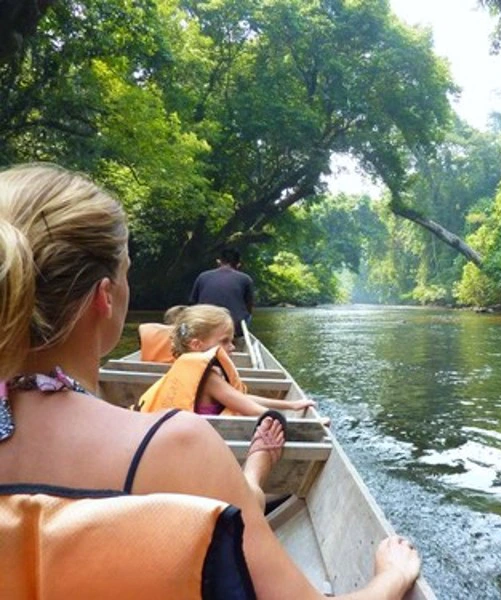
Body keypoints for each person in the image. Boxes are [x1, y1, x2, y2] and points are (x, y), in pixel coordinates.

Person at [0, 163, 420, 599]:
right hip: (191, 461)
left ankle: (251, 480)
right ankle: (252, 477)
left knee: (240, 496)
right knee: (237, 496)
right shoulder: (176, 447)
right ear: (105, 297)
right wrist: (390, 575)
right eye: (127, 269)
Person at [137, 304, 316, 416]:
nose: (232, 347)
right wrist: (294, 424)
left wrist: (291, 405)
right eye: (225, 341)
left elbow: (240, 398)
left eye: (232, 340)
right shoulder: (209, 379)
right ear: (196, 345)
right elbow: (251, 408)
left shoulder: (192, 369)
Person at [190, 248, 254, 343]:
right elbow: (249, 308)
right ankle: (236, 339)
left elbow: (193, 303)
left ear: (219, 262)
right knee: (248, 316)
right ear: (238, 264)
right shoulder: (245, 279)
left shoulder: (202, 276)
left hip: (204, 323)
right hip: (232, 327)